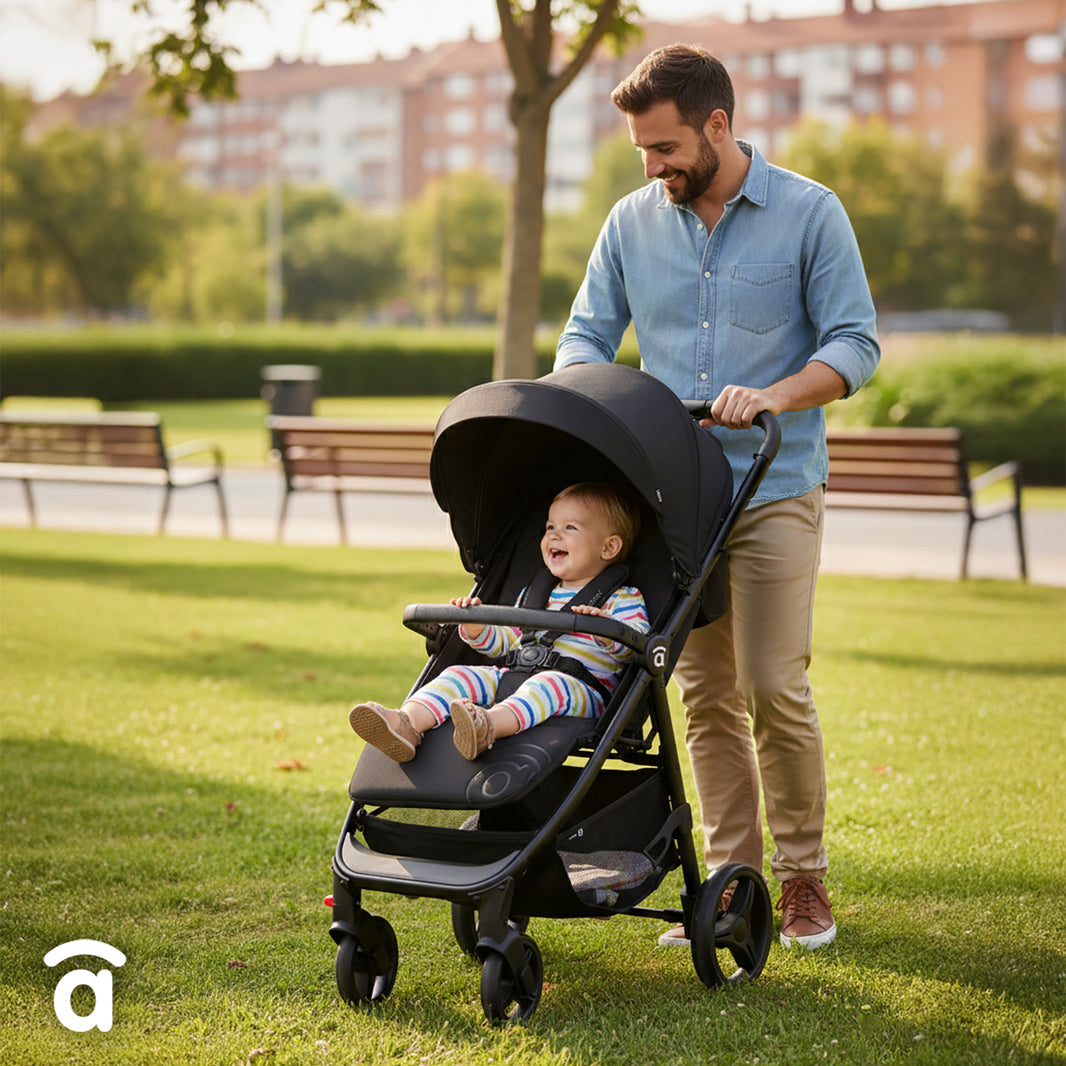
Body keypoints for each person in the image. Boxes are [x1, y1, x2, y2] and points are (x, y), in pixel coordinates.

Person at [554, 44, 880, 951]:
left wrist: (774, 394)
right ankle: (734, 887)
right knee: (703, 696)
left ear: (718, 125)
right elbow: (584, 338)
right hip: (679, 500)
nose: (651, 167)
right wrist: (593, 401)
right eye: (640, 151)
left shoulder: (810, 212)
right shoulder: (629, 223)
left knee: (772, 684)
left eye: (664, 148)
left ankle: (803, 879)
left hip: (775, 486)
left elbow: (855, 344)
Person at [349, 482, 650, 762]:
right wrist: (478, 628)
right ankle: (407, 724)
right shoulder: (534, 593)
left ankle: (487, 727)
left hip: (581, 690)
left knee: (547, 684)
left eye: (570, 527)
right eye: (550, 527)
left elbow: (638, 645)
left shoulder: (622, 597)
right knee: (457, 674)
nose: (554, 535)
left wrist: (606, 630)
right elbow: (508, 643)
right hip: (516, 675)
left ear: (608, 547)